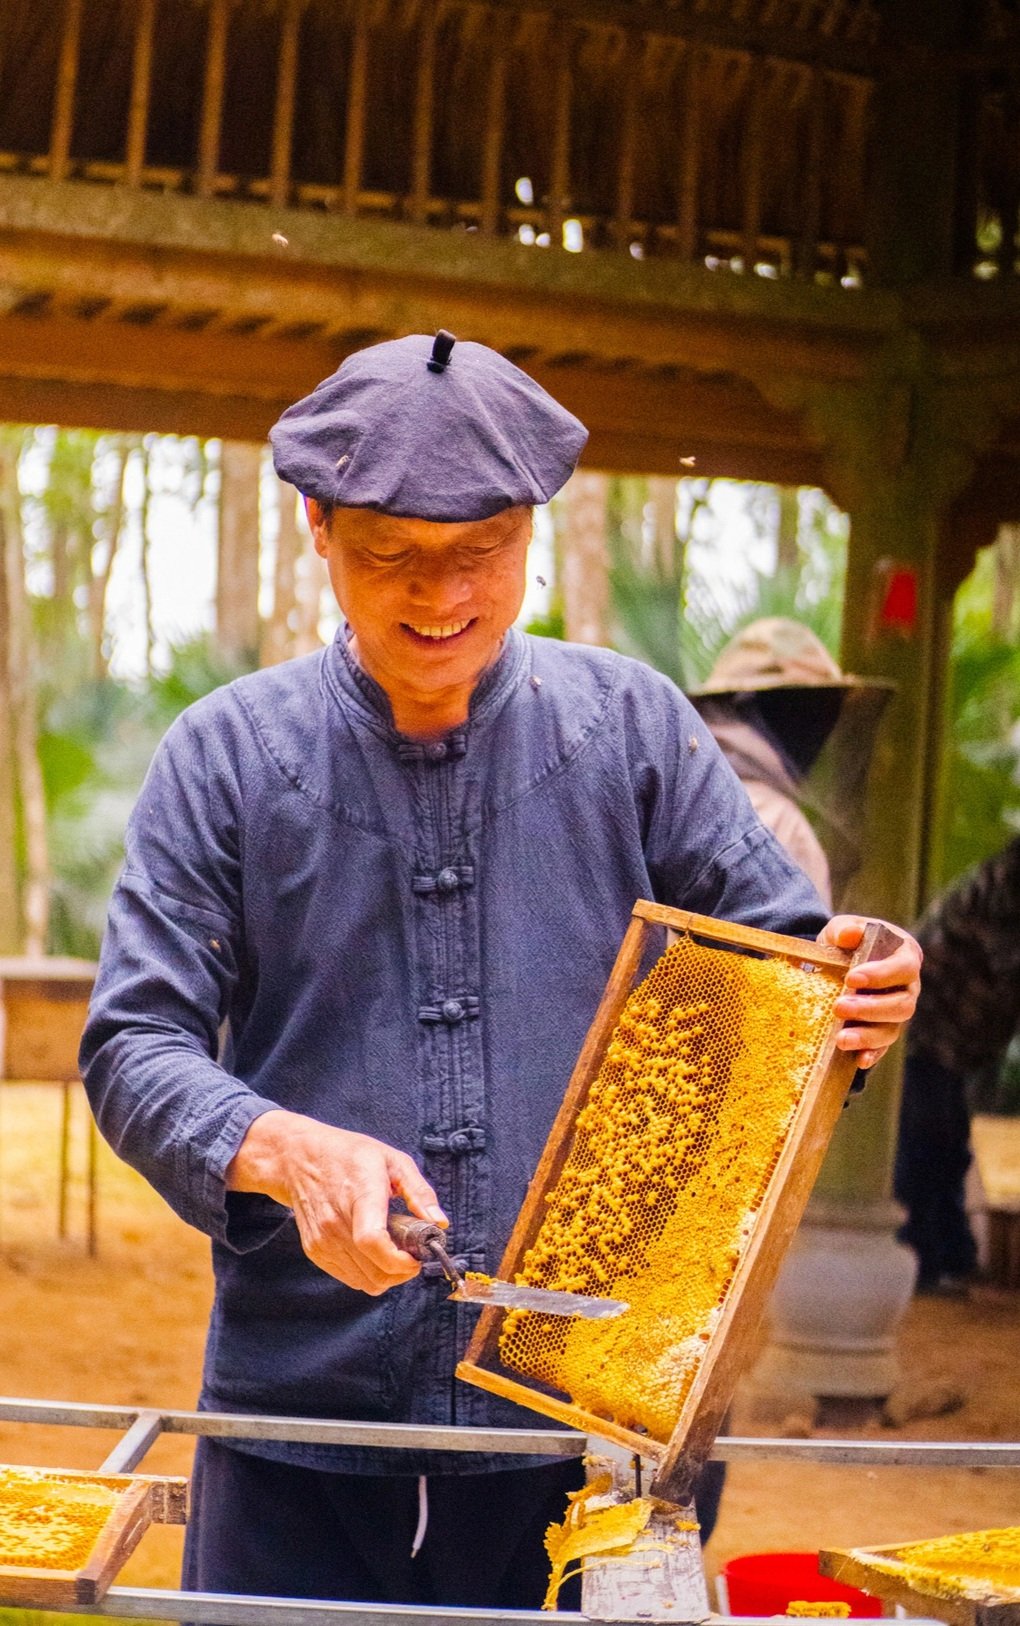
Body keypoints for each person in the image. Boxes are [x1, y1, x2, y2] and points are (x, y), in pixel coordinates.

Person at [80, 332, 922, 1610]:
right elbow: (135, 1048)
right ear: (316, 525)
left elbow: (796, 963)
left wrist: (860, 980)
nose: (438, 595)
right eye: (390, 556)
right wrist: (282, 1148)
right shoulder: (228, 759)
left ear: (532, 525)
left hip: (590, 1430)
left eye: (480, 551)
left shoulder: (634, 730)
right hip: (304, 1420)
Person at [690, 618, 893, 910]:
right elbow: (802, 952)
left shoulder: (683, 794)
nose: (819, 729)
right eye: (809, 710)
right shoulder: (778, 822)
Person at [895, 836, 1020, 1293]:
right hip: (929, 1030)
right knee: (930, 1145)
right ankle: (927, 1259)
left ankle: (947, 1254)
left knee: (944, 1144)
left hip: (952, 1038)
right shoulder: (1005, 881)